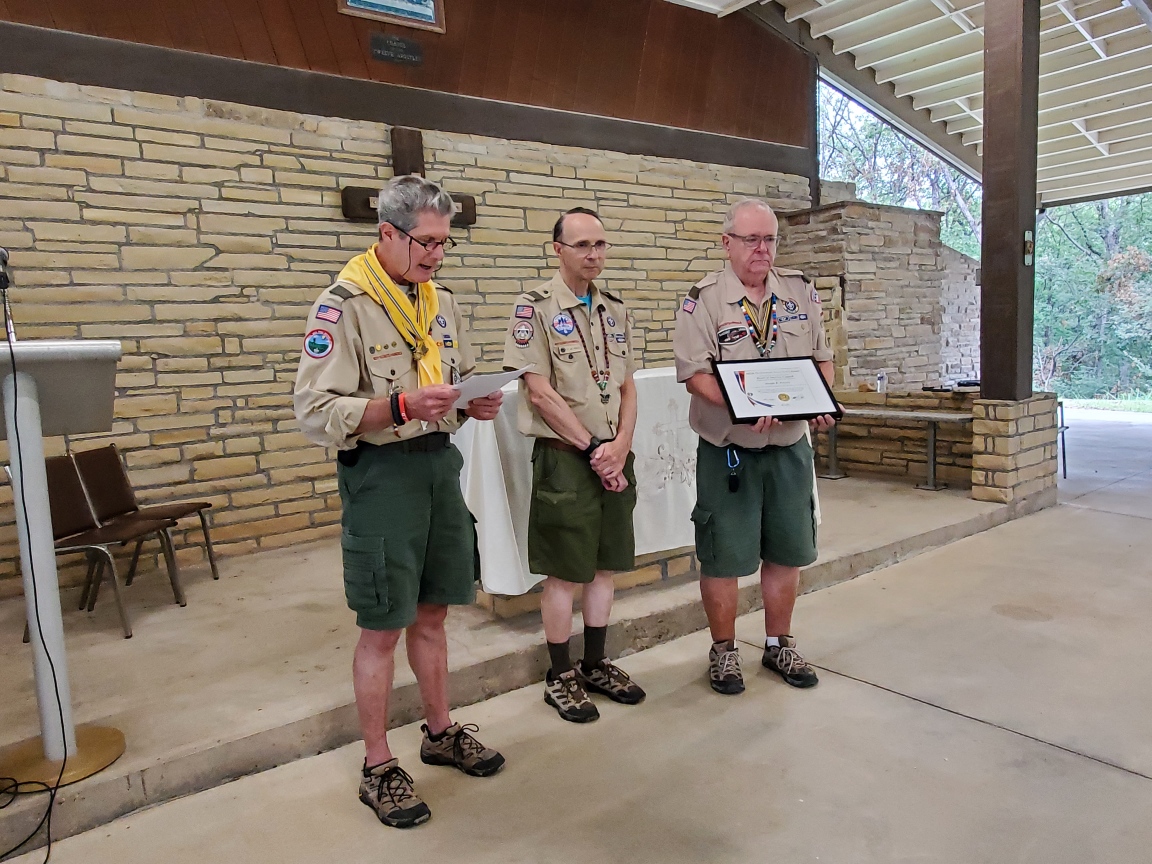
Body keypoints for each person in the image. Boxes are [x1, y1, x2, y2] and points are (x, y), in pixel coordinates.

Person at [294, 175, 505, 829]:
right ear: (387, 233)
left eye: (444, 244)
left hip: (440, 466)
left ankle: (439, 732)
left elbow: (456, 380)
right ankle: (378, 765)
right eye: (426, 243)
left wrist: (476, 402)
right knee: (383, 625)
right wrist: (399, 406)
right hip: (381, 475)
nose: (436, 256)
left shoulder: (440, 302)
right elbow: (313, 410)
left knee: (435, 613)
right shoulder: (344, 305)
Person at [672, 198, 836, 696]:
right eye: (751, 239)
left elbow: (822, 359)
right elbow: (695, 374)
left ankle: (777, 643)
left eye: (769, 240)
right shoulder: (703, 300)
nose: (762, 249)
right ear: (727, 243)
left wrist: (820, 400)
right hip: (730, 449)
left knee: (787, 550)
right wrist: (743, 405)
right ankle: (724, 651)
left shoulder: (800, 292)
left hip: (788, 445)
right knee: (723, 554)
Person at [501, 207, 646, 724]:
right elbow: (539, 393)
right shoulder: (533, 309)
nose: (594, 254)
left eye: (601, 245)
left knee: (605, 566)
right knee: (566, 572)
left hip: (613, 456)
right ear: (557, 248)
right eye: (582, 245)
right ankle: (559, 674)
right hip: (568, 460)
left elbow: (628, 385)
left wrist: (622, 444)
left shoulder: (616, 309)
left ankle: (595, 663)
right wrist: (593, 450)